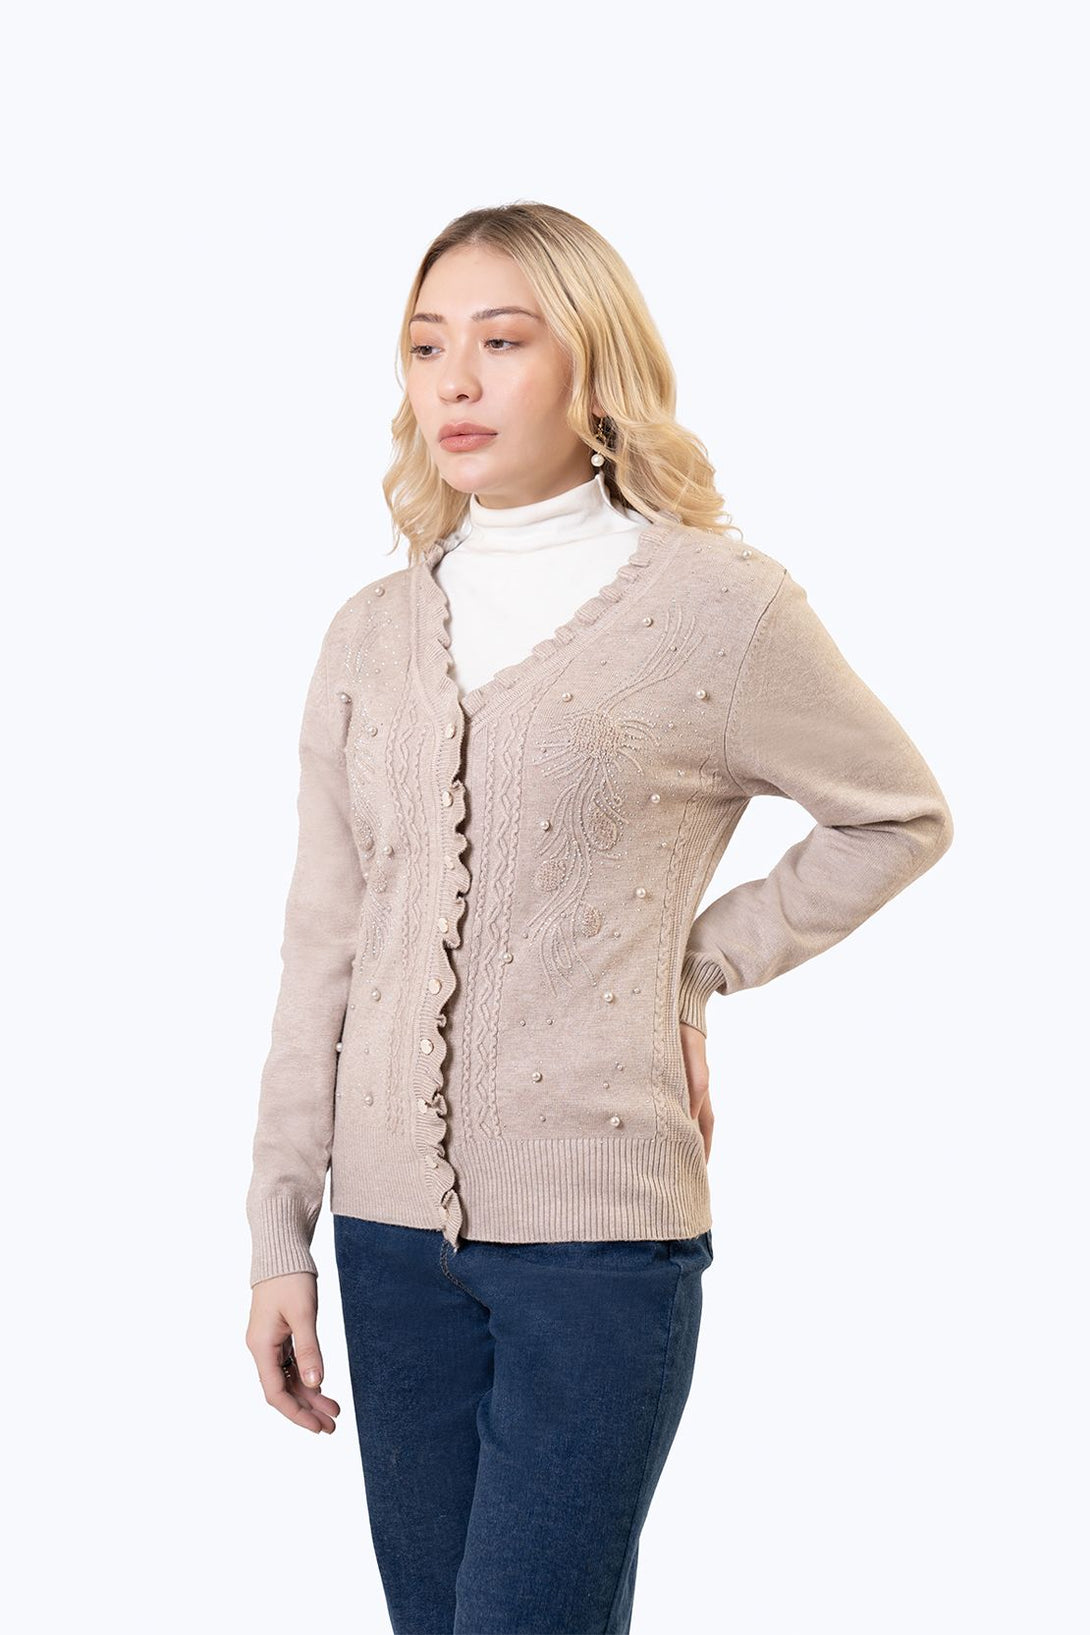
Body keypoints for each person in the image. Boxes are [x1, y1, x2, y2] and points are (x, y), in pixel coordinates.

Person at [245, 201, 954, 1635]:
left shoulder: (717, 609)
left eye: (503, 342)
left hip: (597, 1249)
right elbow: (323, 943)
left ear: (594, 366)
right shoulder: (367, 635)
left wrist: (689, 970)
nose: (455, 381)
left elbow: (896, 815)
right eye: (426, 346)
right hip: (384, 1243)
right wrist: (278, 1235)